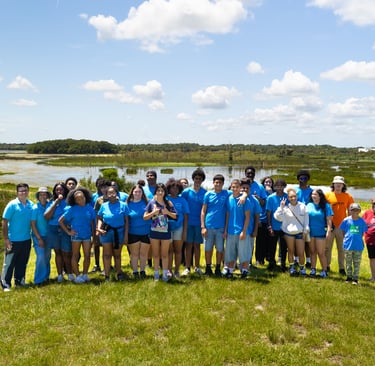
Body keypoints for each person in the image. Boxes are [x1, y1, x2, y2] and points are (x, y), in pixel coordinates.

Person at [59, 188, 96, 283]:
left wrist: (94, 237)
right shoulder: (72, 209)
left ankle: (85, 274)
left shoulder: (90, 208)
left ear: (85, 197)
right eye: (78, 199)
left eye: (82, 197)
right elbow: (60, 221)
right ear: (74, 200)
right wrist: (68, 232)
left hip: (87, 235)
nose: (81, 200)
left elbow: (92, 223)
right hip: (76, 236)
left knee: (87, 255)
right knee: (75, 255)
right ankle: (77, 276)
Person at [1, 183, 33, 291]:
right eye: (21, 191)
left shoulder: (30, 204)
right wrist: (6, 239)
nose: (23, 193)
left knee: (22, 262)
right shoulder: (12, 205)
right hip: (13, 240)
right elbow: (4, 222)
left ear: (28, 192)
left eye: (25, 190)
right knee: (9, 263)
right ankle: (6, 284)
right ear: (17, 193)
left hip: (26, 239)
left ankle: (19, 281)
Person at [144, 183, 177, 281]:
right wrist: (153, 213)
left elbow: (175, 216)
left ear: (165, 193)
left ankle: (165, 274)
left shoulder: (168, 203)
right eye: (158, 191)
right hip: (154, 232)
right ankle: (156, 274)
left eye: (162, 191)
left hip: (165, 232)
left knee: (164, 254)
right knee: (155, 254)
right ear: (156, 192)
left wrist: (168, 212)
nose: (160, 192)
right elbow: (145, 217)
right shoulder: (151, 203)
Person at [97, 185, 130, 281]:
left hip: (119, 232)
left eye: (113, 193)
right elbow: (99, 218)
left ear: (116, 193)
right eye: (109, 193)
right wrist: (98, 228)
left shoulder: (123, 205)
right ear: (106, 195)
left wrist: (126, 235)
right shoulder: (103, 206)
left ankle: (119, 273)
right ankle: (107, 275)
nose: (111, 195)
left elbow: (127, 221)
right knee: (106, 254)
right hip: (106, 232)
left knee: (117, 254)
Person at [274, 187, 309, 276]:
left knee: (301, 252)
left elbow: (306, 221)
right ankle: (292, 268)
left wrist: (305, 231)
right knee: (291, 251)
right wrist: (281, 207)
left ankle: (302, 268)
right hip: (289, 233)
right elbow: (277, 217)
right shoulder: (285, 208)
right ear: (288, 198)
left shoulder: (303, 206)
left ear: (297, 196)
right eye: (290, 197)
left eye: (294, 196)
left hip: (300, 233)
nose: (293, 198)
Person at [325, 176, 354, 275]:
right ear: (333, 184)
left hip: (342, 227)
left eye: (340, 183)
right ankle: (327, 266)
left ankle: (342, 268)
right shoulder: (327, 195)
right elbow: (323, 210)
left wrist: (350, 227)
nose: (338, 185)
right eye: (336, 183)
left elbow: (351, 212)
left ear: (343, 185)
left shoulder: (348, 196)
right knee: (327, 247)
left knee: (342, 248)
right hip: (330, 226)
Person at [201, 174, 229, 276]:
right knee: (208, 249)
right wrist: (203, 226)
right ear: (213, 183)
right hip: (208, 226)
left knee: (220, 249)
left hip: (221, 227)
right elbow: (203, 211)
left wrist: (244, 195)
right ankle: (208, 268)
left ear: (223, 184)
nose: (218, 184)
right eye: (216, 182)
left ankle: (218, 268)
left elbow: (237, 191)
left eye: (220, 183)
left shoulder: (226, 194)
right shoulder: (208, 195)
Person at [181, 168, 207, 275]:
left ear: (202, 180)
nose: (197, 181)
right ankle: (187, 267)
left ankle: (197, 267)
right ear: (193, 179)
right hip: (188, 223)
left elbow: (205, 209)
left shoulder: (205, 193)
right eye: (196, 178)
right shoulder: (186, 192)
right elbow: (182, 206)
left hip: (199, 223)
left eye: (199, 179)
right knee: (188, 245)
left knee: (197, 246)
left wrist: (203, 225)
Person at [224, 179, 251, 278]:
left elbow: (247, 216)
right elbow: (227, 214)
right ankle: (230, 271)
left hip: (241, 231)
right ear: (230, 187)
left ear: (240, 188)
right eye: (233, 187)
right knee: (230, 253)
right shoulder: (229, 198)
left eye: (237, 187)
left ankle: (244, 271)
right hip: (231, 231)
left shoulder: (245, 200)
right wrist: (226, 230)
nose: (234, 189)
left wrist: (244, 231)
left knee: (243, 253)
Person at [306, 189, 333, 278]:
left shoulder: (326, 206)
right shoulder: (309, 205)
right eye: (312, 194)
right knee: (312, 252)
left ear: (320, 196)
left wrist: (329, 231)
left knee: (321, 253)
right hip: (310, 232)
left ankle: (324, 271)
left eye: (316, 194)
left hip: (321, 232)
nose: (313, 196)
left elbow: (329, 220)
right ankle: (313, 270)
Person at [126, 184, 150, 279]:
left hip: (146, 232)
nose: (137, 193)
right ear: (132, 193)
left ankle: (142, 271)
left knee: (143, 254)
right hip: (133, 232)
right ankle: (135, 272)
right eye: (135, 191)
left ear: (142, 193)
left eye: (139, 192)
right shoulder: (128, 204)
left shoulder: (147, 203)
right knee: (134, 254)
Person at [166, 179, 189, 278]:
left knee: (178, 250)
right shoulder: (165, 199)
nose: (174, 190)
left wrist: (184, 231)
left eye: (176, 188)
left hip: (179, 228)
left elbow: (186, 216)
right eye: (172, 188)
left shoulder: (182, 200)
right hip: (167, 228)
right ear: (169, 188)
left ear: (179, 189)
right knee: (169, 250)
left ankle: (176, 271)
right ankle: (169, 270)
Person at [340, 203, 368, 285]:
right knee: (348, 262)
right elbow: (343, 231)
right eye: (353, 210)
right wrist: (346, 239)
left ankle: (355, 279)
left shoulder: (362, 221)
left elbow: (363, 233)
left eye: (357, 210)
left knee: (357, 263)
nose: (355, 211)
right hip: (348, 245)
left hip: (358, 245)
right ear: (350, 211)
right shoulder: (346, 220)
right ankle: (349, 277)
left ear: (359, 211)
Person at [265, 179, 288, 271]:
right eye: (277, 186)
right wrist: (269, 226)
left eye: (281, 186)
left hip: (285, 227)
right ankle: (271, 263)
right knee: (272, 246)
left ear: (284, 187)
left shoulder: (287, 197)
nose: (279, 188)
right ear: (274, 187)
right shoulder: (270, 198)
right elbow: (268, 213)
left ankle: (283, 264)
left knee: (283, 247)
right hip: (274, 226)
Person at [31, 187, 52, 285]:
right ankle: (38, 280)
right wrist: (39, 238)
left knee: (47, 257)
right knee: (41, 256)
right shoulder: (35, 208)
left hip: (49, 236)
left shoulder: (50, 206)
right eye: (41, 195)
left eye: (45, 194)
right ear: (38, 197)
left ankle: (46, 277)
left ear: (47, 196)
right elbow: (33, 224)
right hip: (38, 236)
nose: (43, 196)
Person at [240, 178, 261, 269]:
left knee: (249, 248)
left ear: (250, 188)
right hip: (237, 229)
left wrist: (255, 230)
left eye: (247, 188)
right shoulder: (235, 197)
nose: (245, 190)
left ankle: (247, 264)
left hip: (250, 228)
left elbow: (257, 217)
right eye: (243, 188)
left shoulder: (254, 201)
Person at [91, 178, 112, 273]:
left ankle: (108, 266)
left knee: (108, 247)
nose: (104, 189)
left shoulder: (114, 198)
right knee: (97, 245)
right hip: (100, 226)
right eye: (102, 187)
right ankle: (97, 264)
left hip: (111, 226)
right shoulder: (99, 200)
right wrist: (96, 228)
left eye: (106, 187)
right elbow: (96, 215)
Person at [296, 170, 313, 268]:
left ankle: (308, 260)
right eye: (301, 178)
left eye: (305, 178)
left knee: (307, 240)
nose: (303, 180)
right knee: (297, 240)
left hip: (308, 218)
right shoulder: (295, 191)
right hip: (297, 218)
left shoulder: (311, 191)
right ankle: (297, 259)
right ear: (298, 179)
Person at [256, 176, 275, 266]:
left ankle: (269, 258)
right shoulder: (261, 192)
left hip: (271, 220)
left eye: (270, 182)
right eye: (266, 182)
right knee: (260, 241)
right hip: (262, 219)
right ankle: (259, 259)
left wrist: (270, 192)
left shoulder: (273, 193)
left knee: (270, 241)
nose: (268, 184)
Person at [362, 198, 375, 281]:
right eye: (374, 204)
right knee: (372, 258)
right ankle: (373, 277)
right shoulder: (367, 213)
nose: (374, 205)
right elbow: (361, 225)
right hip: (370, 240)